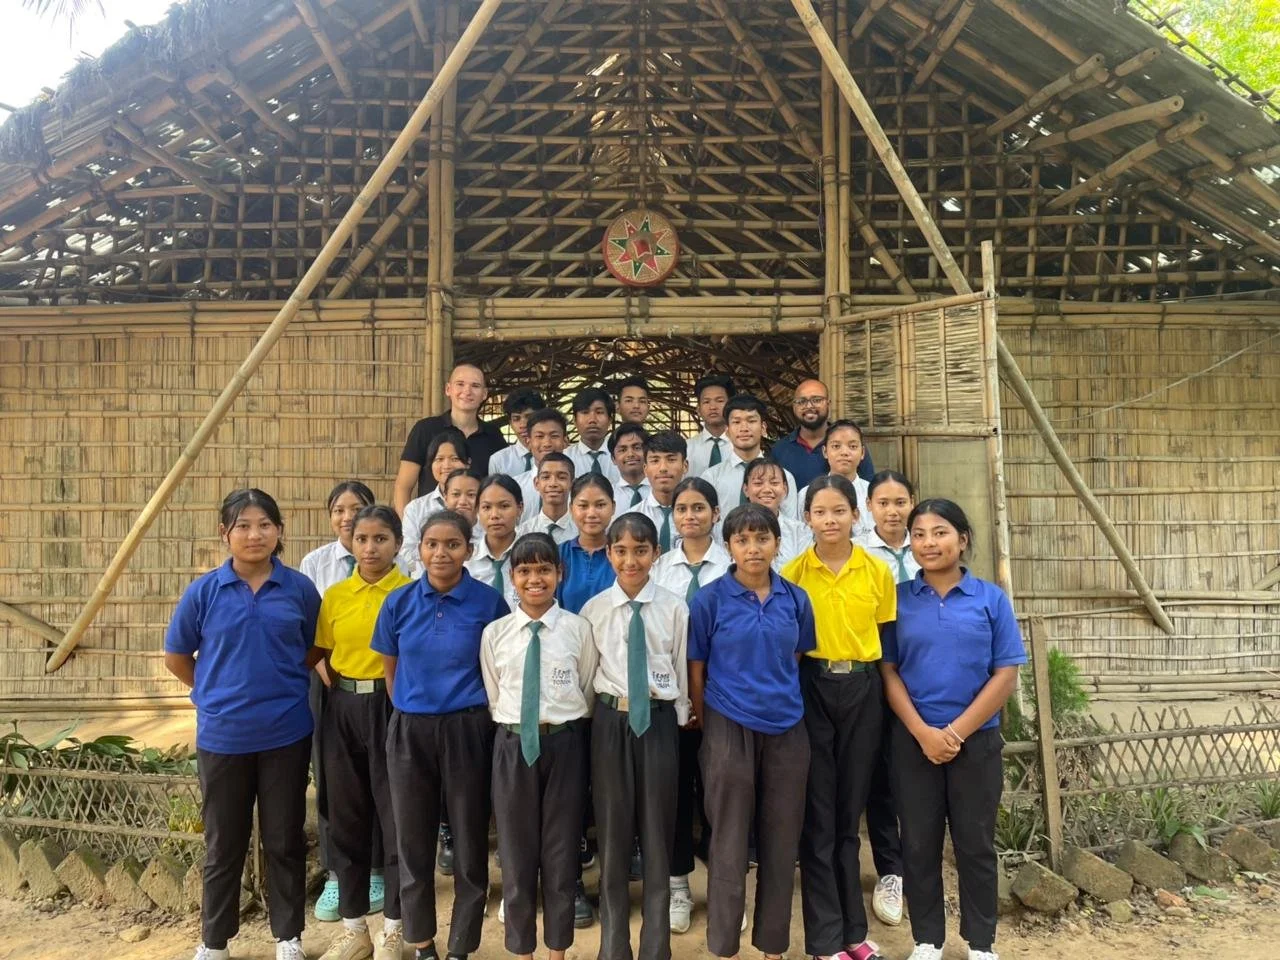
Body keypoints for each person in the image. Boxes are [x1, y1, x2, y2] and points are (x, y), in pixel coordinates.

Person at [165, 489, 321, 960]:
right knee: (223, 843)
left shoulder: (299, 589)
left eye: (265, 524)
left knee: (284, 839)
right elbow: (176, 656)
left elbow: (316, 648)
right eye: (244, 525)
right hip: (223, 736)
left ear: (279, 531)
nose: (255, 534)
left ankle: (288, 937)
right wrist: (208, 695)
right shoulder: (204, 592)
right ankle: (214, 941)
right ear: (225, 533)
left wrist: (286, 677)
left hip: (286, 733)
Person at [880, 500, 1025, 960]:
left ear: (962, 539)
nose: (928, 543)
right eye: (918, 534)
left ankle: (981, 943)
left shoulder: (990, 599)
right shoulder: (898, 598)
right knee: (918, 843)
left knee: (975, 844)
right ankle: (927, 940)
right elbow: (888, 671)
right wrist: (924, 732)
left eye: (939, 532)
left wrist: (956, 732)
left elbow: (1005, 674)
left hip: (977, 741)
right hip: (912, 740)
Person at [373, 510, 510, 960]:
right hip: (411, 731)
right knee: (413, 842)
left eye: (452, 544)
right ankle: (422, 943)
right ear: (420, 548)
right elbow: (391, 672)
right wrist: (416, 709)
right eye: (432, 543)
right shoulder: (398, 602)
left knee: (470, 841)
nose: (441, 553)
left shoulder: (488, 603)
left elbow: (498, 667)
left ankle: (461, 947)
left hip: (468, 730)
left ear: (469, 550)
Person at [688, 504, 813, 960]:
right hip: (726, 726)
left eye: (762, 538)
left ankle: (773, 947)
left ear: (778, 544)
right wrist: (710, 721)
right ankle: (723, 947)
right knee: (728, 841)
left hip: (787, 728)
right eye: (742, 540)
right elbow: (696, 667)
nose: (753, 548)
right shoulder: (709, 600)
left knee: (781, 840)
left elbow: (794, 659)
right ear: (729, 547)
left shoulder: (796, 599)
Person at [782, 476, 897, 960]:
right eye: (820, 512)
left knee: (850, 816)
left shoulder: (877, 571)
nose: (830, 520)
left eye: (839, 511)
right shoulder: (791, 575)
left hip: (864, 689)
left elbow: (888, 645)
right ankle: (825, 941)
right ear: (806, 518)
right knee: (819, 818)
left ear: (856, 514)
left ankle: (853, 933)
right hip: (811, 687)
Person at [482, 532, 599, 960]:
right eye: (525, 570)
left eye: (544, 569)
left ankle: (557, 951)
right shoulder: (495, 634)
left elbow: (586, 689)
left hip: (564, 745)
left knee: (562, 851)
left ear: (559, 574)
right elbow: (495, 695)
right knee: (515, 853)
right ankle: (522, 950)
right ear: (512, 577)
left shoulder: (578, 629)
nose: (535, 579)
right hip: (513, 746)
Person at [581, 513, 690, 960]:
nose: (631, 560)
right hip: (611, 722)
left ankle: (655, 946)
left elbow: (681, 665)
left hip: (660, 722)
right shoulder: (594, 610)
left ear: (656, 554)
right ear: (608, 554)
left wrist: (680, 716)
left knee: (658, 831)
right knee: (613, 832)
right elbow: (588, 675)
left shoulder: (674, 606)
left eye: (641, 550)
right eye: (621, 551)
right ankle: (613, 946)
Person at [316, 506, 414, 960]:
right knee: (347, 816)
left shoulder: (411, 593)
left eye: (380, 539)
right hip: (342, 709)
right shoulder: (335, 596)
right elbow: (319, 651)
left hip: (393, 707)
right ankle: (354, 928)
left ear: (397, 543)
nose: (370, 548)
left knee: (396, 819)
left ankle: (395, 928)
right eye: (362, 539)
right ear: (350, 543)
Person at [298, 481, 381, 924]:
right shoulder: (316, 563)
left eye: (358, 508)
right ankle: (337, 872)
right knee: (335, 781)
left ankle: (379, 870)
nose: (348, 517)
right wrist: (327, 675)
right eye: (339, 509)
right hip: (329, 682)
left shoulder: (394, 562)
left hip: (381, 685)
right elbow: (312, 632)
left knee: (381, 780)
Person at [650, 477, 729, 935]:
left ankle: (722, 886)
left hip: (723, 694)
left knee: (722, 797)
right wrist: (681, 698)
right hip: (674, 697)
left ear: (716, 514)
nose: (690, 516)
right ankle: (678, 883)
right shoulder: (661, 569)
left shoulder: (733, 564)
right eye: (682, 509)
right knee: (676, 794)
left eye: (700, 507)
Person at [854, 471, 920, 927]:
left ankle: (919, 866)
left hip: (922, 674)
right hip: (875, 674)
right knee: (878, 779)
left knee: (914, 778)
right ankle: (890, 871)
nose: (893, 511)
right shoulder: (858, 555)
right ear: (870, 506)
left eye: (900, 502)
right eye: (884, 502)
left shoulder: (929, 547)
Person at [395, 364, 508, 512]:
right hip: (430, 524)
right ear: (448, 389)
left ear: (484, 393)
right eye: (460, 384)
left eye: (475, 385)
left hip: (477, 525)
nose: (467, 391)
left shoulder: (494, 435)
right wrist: (407, 528)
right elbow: (403, 486)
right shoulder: (425, 429)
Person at [702, 394, 799, 519]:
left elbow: (790, 526)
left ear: (763, 428)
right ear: (727, 431)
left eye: (751, 421)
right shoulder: (711, 478)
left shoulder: (783, 478)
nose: (744, 428)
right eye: (736, 422)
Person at [772, 379, 875, 490]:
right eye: (802, 401)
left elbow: (868, 490)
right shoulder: (780, 449)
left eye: (816, 400)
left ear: (828, 404)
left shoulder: (849, 447)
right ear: (794, 406)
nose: (809, 406)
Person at [401, 431, 471, 571]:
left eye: (454, 459)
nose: (446, 465)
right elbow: (405, 553)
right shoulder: (415, 508)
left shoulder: (481, 504)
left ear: (468, 463)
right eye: (439, 459)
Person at [799, 420, 873, 533]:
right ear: (825, 451)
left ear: (862, 452)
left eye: (852, 446)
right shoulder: (806, 494)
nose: (844, 452)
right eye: (836, 446)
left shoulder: (873, 494)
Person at [558, 474, 617, 614]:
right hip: (568, 634)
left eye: (600, 505)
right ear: (571, 509)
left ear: (613, 507)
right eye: (583, 506)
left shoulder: (622, 554)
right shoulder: (558, 554)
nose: (591, 513)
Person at [741, 456, 812, 570]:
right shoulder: (735, 530)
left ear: (784, 489)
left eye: (774, 483)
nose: (767, 489)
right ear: (746, 490)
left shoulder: (800, 531)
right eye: (758, 483)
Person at [467, 475, 523, 608]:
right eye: (486, 507)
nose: (494, 515)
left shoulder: (533, 557)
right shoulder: (467, 560)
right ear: (477, 511)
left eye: (504, 506)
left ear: (520, 508)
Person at [631, 430, 689, 551]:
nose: (663, 468)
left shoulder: (699, 518)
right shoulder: (632, 518)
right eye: (655, 461)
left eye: (671, 459)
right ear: (645, 469)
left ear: (685, 466)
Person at [514, 409, 572, 521]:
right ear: (528, 442)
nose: (547, 444)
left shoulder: (578, 488)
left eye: (554, 436)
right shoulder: (515, 487)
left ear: (565, 441)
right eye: (539, 436)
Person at [518, 452, 578, 545]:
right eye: (546, 477)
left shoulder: (581, 531)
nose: (553, 483)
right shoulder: (522, 533)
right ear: (536, 483)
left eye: (561, 477)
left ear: (572, 484)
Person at [566, 387, 621, 484]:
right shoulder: (566, 457)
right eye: (585, 412)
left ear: (610, 419)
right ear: (575, 420)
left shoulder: (622, 456)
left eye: (599, 412)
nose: (592, 420)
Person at [489, 388, 546, 477]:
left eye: (529, 417)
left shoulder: (558, 455)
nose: (523, 424)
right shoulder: (499, 460)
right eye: (516, 419)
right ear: (510, 423)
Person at [685, 374, 734, 478]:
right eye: (706, 401)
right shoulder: (687, 448)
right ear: (698, 410)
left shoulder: (741, 447)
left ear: (730, 406)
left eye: (719, 401)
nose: (713, 407)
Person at [610, 422, 651, 508]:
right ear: (613, 459)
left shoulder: (662, 492)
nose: (630, 454)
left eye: (637, 448)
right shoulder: (608, 495)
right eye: (622, 450)